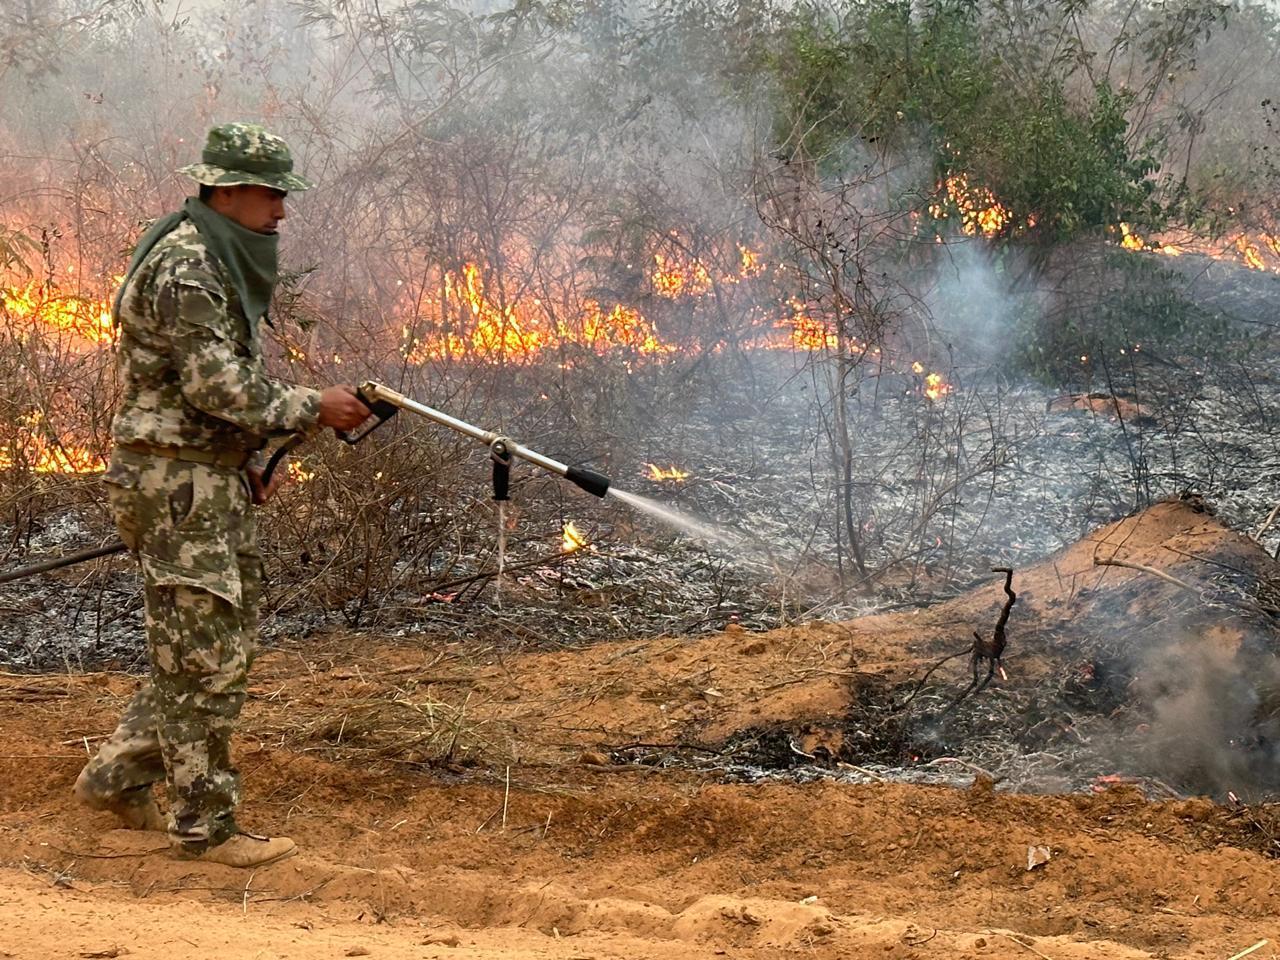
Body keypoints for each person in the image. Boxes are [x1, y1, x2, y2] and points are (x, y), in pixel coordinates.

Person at [72, 123, 369, 868]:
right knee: (203, 658)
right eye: (272, 195)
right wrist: (312, 406)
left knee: (211, 647)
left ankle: (115, 779)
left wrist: (243, 462)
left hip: (201, 475)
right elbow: (216, 386)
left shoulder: (212, 252)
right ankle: (204, 830)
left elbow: (206, 398)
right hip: (172, 483)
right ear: (228, 190)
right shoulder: (188, 267)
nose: (281, 212)